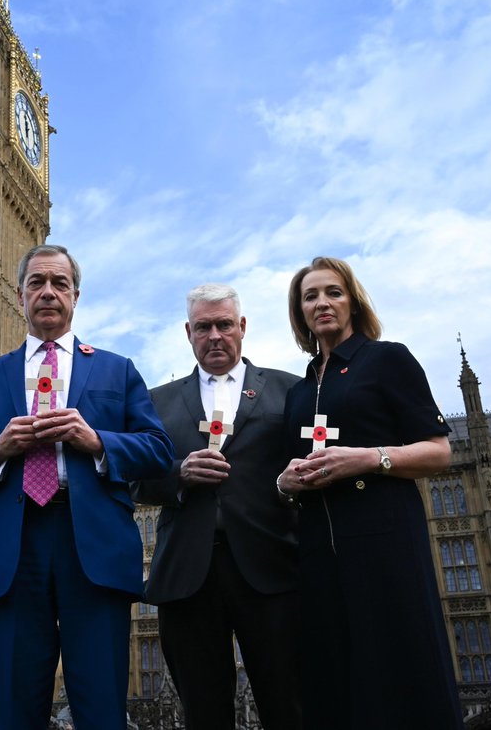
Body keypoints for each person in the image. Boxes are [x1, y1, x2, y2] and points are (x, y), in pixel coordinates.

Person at [0, 244, 173, 730]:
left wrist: (96, 440)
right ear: (20, 295)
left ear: (75, 296)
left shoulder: (116, 369)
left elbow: (157, 452)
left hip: (94, 544)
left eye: (59, 283)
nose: (48, 292)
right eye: (37, 283)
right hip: (14, 546)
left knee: (102, 707)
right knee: (18, 708)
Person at [275, 256, 461, 730]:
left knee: (401, 677)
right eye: (310, 296)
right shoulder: (299, 392)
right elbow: (295, 471)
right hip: (319, 559)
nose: (322, 303)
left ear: (353, 302)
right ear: (300, 312)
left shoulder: (386, 359)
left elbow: (439, 452)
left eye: (333, 292)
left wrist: (369, 458)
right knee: (335, 689)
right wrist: (285, 482)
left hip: (385, 547)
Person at [134, 284, 301, 730]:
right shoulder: (156, 402)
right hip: (188, 574)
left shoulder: (289, 389)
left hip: (272, 568)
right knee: (203, 712)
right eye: (203, 327)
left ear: (241, 326)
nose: (214, 336)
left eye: (224, 325)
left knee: (290, 706)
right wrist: (179, 474)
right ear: (188, 332)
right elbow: (132, 479)